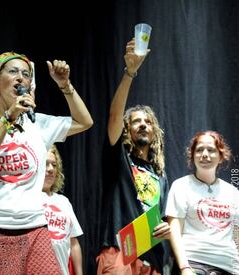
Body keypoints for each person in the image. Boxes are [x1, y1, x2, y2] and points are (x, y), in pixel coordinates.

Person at [0, 51, 93, 274]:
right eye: (12, 71)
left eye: (25, 74)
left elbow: (84, 121)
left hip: (35, 227)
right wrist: (8, 118)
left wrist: (65, 85)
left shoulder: (37, 124)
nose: (20, 78)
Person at [96, 39, 171, 274]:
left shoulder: (161, 174)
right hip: (119, 253)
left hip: (153, 259)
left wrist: (166, 229)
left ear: (155, 131)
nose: (142, 124)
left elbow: (165, 218)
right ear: (127, 129)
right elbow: (114, 115)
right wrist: (130, 73)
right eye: (136, 121)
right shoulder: (120, 159)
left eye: (147, 121)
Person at [166, 131, 239, 274]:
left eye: (211, 150)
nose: (205, 154)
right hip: (194, 263)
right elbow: (175, 231)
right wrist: (184, 267)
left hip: (229, 266)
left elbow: (236, 233)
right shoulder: (181, 186)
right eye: (199, 150)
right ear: (192, 156)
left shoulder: (233, 192)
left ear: (220, 156)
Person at [42, 144, 83, 275]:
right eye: (46, 164)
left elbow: (74, 243)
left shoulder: (63, 201)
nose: (50, 169)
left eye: (54, 165)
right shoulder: (28, 197)